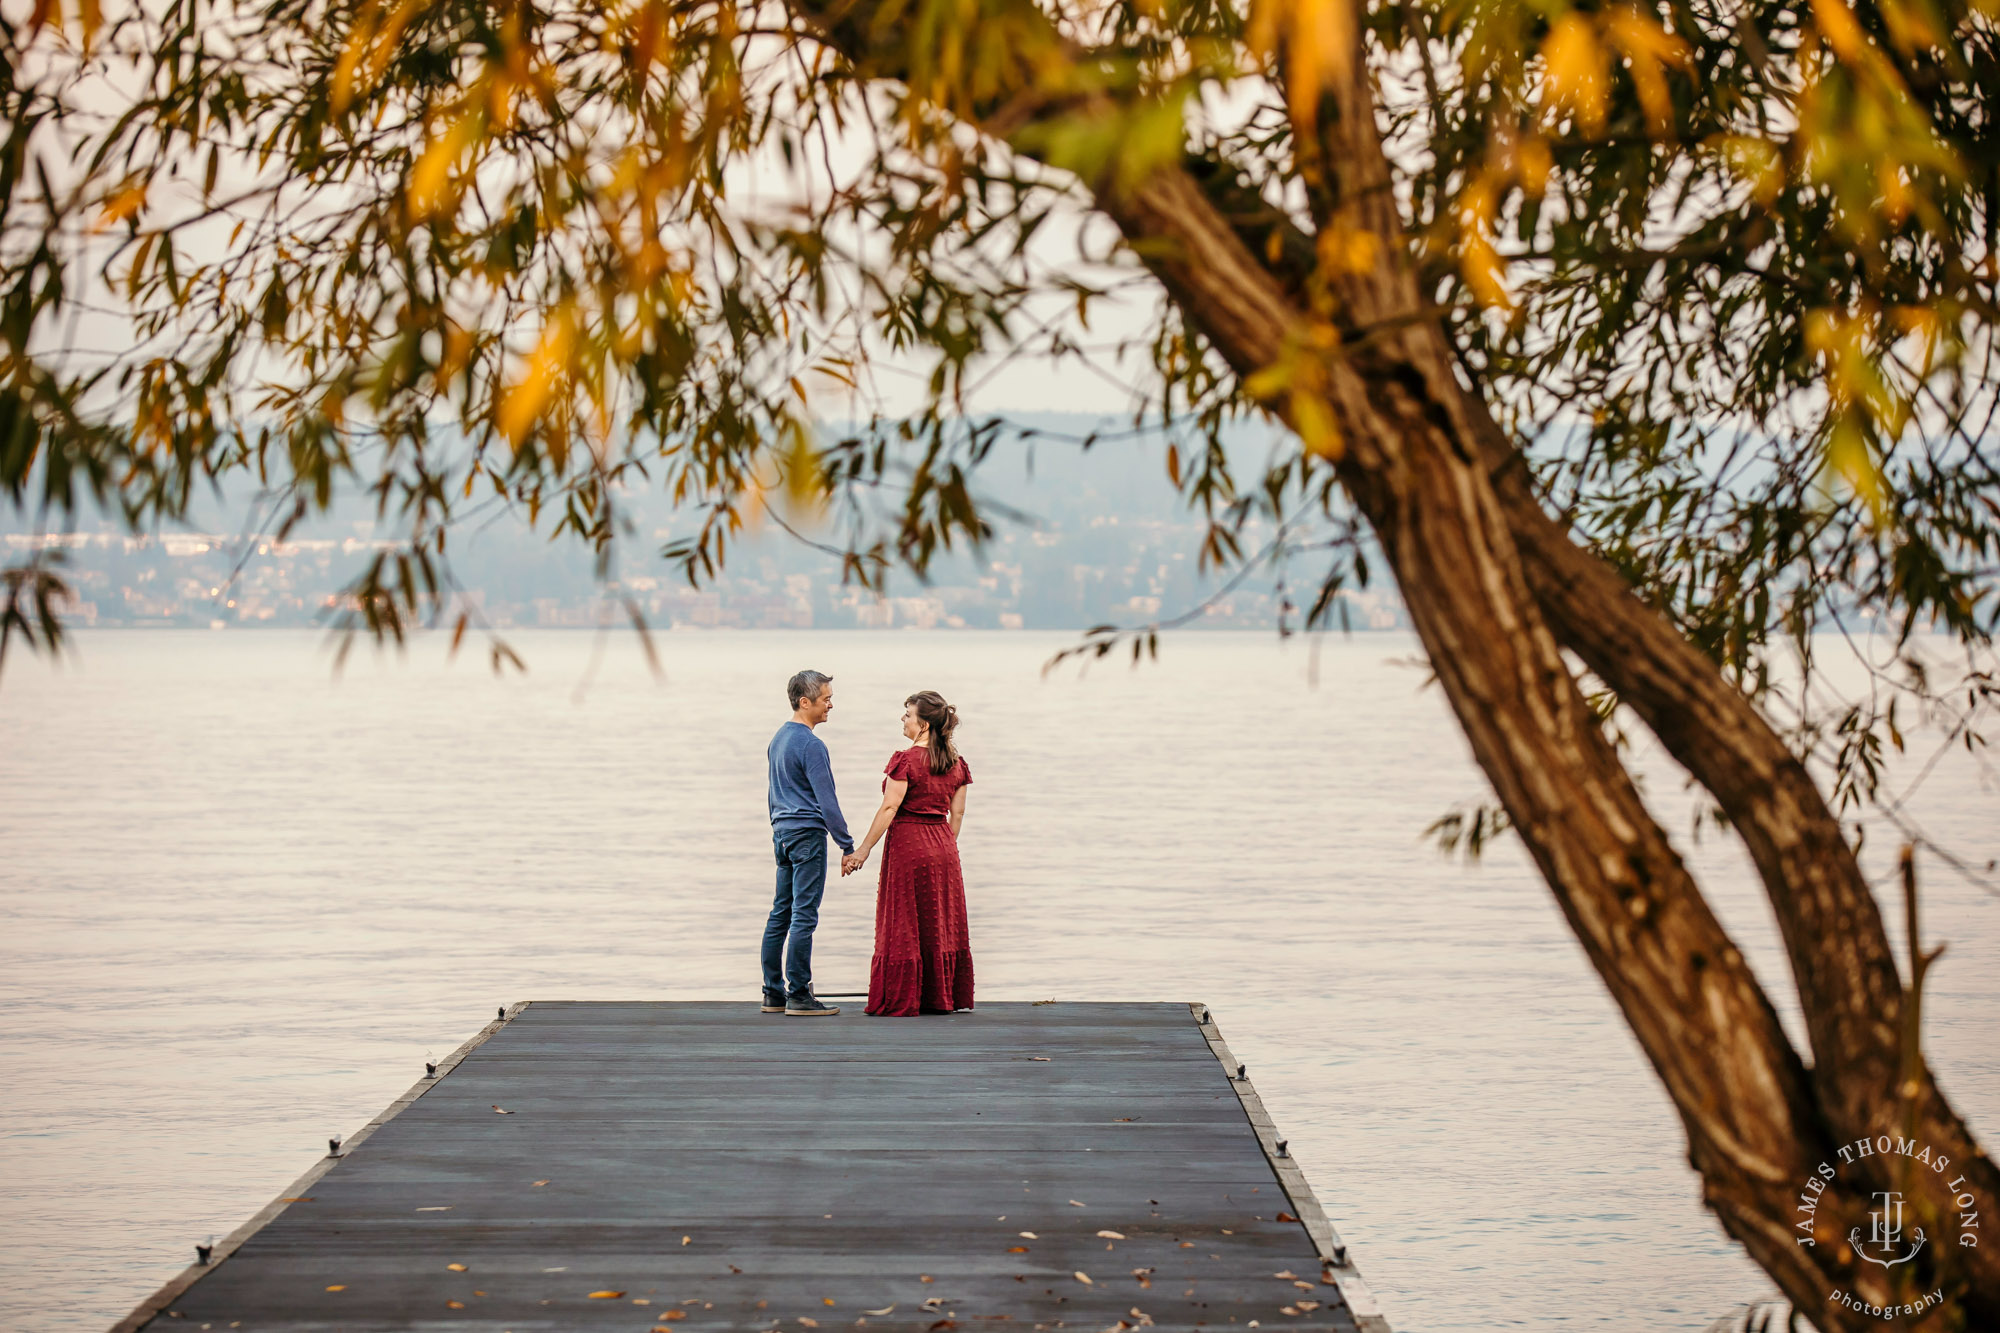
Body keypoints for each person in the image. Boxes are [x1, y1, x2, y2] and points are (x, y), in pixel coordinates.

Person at [841, 690, 974, 1016]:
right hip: (944, 849)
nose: (903, 719)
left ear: (924, 724)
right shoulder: (956, 763)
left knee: (903, 922)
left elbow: (889, 808)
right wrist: (943, 845)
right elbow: (956, 816)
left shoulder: (905, 760)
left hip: (908, 847)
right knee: (939, 922)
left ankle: (906, 997)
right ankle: (941, 997)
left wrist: (863, 850)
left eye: (908, 715)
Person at [764, 669, 853, 1017]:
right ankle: (799, 994)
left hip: (782, 833)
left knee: (780, 912)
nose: (831, 704)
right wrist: (847, 845)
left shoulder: (778, 738)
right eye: (826, 699)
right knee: (804, 914)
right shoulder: (811, 744)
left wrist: (777, 826)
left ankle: (773, 993)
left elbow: (773, 792)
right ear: (805, 702)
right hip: (807, 836)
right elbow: (827, 801)